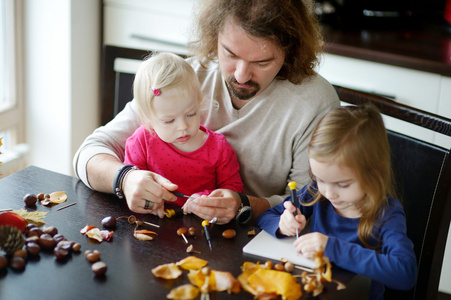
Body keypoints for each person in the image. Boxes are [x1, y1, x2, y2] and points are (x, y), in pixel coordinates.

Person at [73, 0, 340, 223]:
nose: (241, 75)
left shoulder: (312, 103)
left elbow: (313, 203)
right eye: (230, 54)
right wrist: (125, 178)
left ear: (289, 51)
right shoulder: (189, 78)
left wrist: (244, 204)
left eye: (262, 62)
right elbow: (88, 153)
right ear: (215, 37)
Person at [256, 104, 417, 299]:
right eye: (320, 178)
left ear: (374, 171)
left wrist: (332, 248)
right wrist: (283, 223)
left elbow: (406, 274)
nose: (329, 193)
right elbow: (266, 216)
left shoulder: (386, 214)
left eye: (343, 184)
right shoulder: (316, 192)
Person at [123, 52, 244, 210]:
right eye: (169, 121)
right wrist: (146, 201)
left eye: (190, 114)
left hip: (202, 226)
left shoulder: (219, 147)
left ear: (199, 104)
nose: (183, 127)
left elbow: (234, 189)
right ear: (148, 119)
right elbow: (132, 183)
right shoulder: (141, 142)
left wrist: (208, 198)